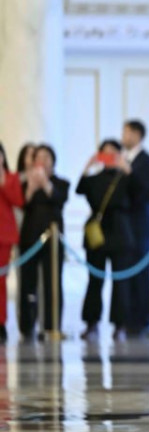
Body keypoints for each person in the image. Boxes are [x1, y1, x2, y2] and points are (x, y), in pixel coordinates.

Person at [76, 139, 135, 340]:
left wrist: (126, 169)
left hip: (120, 232)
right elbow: (79, 189)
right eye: (105, 153)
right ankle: (91, 323)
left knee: (120, 282)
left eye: (113, 153)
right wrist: (88, 165)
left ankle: (120, 325)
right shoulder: (94, 179)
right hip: (97, 234)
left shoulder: (125, 177)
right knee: (95, 280)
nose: (109, 157)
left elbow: (140, 193)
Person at [17, 145, 70, 340]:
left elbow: (59, 199)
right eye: (38, 157)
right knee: (28, 284)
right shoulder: (25, 183)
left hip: (53, 240)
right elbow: (22, 204)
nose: (42, 160)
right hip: (30, 238)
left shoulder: (61, 182)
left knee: (52, 283)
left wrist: (45, 182)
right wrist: (32, 185)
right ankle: (27, 325)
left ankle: (51, 326)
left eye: (46, 157)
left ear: (53, 160)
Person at [121, 119, 149, 336]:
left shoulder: (147, 162)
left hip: (140, 227)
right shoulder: (122, 159)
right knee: (126, 274)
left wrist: (129, 174)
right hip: (123, 227)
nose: (124, 136)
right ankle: (127, 318)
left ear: (137, 135)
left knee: (141, 273)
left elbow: (148, 192)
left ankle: (143, 318)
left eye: (127, 132)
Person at [0, 142, 26, 343]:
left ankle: (1, 321)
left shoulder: (10, 177)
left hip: (3, 236)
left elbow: (18, 200)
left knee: (1, 281)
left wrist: (2, 181)